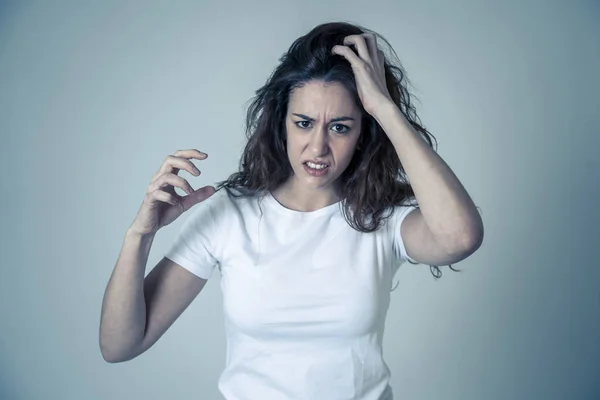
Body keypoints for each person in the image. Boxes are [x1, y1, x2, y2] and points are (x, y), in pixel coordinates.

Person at [99, 21, 483, 399]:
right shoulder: (230, 215)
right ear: (281, 123)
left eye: (340, 128)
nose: (317, 148)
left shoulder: (381, 217)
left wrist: (382, 106)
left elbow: (461, 237)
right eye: (304, 123)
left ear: (364, 133)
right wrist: (140, 234)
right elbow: (119, 346)